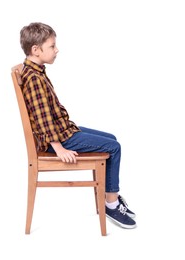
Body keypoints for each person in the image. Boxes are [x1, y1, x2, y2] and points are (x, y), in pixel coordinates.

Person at [19, 22, 136, 229]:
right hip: (57, 138)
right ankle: (111, 203)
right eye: (52, 46)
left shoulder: (35, 71)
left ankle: (110, 195)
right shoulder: (34, 78)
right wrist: (58, 148)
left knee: (111, 139)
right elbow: (43, 117)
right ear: (36, 50)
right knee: (114, 148)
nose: (57, 50)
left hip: (62, 129)